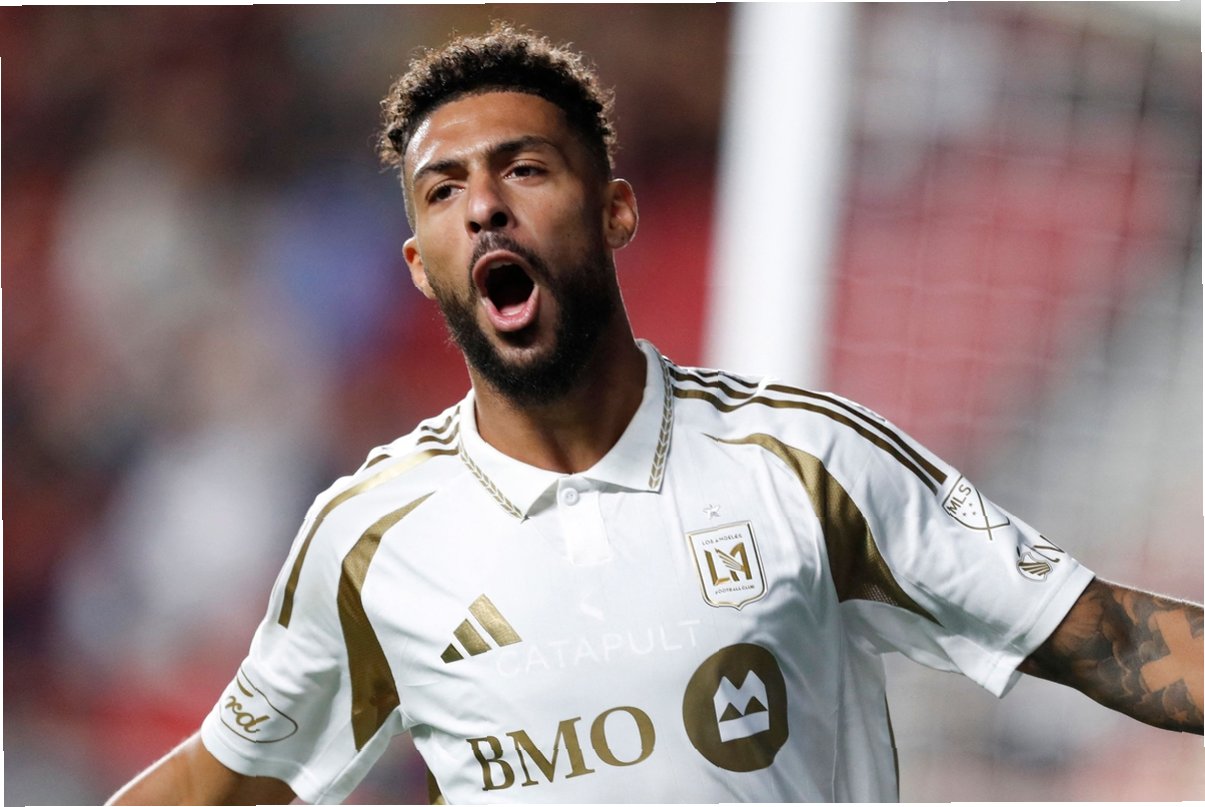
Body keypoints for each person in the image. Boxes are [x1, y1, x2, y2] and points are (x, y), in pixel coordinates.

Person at [109, 23, 1203, 805]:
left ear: (614, 211)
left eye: (523, 170)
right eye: (444, 191)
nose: (483, 207)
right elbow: (224, 779)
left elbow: (1109, 641)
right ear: (417, 263)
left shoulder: (801, 463)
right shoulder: (371, 539)